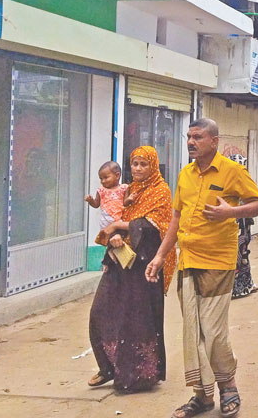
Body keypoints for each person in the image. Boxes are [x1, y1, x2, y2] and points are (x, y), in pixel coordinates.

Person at [146, 119, 258, 418]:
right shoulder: (185, 174)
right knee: (192, 331)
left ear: (214, 141)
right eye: (188, 136)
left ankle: (229, 388)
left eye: (197, 137)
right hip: (187, 261)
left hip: (217, 261)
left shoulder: (232, 171)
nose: (190, 141)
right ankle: (201, 396)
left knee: (212, 332)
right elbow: (176, 218)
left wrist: (232, 212)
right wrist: (160, 256)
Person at [88, 147, 175, 392]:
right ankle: (108, 367)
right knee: (100, 311)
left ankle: (138, 375)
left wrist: (118, 226)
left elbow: (155, 226)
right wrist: (115, 232)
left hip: (145, 267)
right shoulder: (129, 190)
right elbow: (115, 217)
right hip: (120, 261)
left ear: (153, 166)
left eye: (143, 164)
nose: (137, 169)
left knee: (137, 320)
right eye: (134, 164)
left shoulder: (160, 192)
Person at [85, 161, 128, 233]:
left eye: (106, 177)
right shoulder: (101, 190)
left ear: (117, 175)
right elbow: (96, 204)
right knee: (108, 240)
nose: (103, 181)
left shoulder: (124, 188)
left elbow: (126, 203)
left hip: (121, 221)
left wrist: (130, 198)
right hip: (106, 222)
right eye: (101, 178)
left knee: (120, 239)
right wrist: (91, 200)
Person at [232, 216, 258, 299]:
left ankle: (245, 285)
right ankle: (238, 286)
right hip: (234, 221)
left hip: (240, 220)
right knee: (238, 252)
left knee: (242, 252)